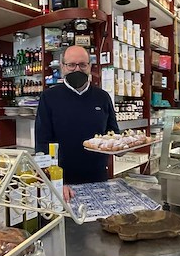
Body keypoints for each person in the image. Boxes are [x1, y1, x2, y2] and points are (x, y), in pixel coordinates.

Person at [35, 45, 119, 200]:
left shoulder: (103, 97)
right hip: (63, 184)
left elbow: (114, 134)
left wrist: (121, 147)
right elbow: (42, 143)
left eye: (82, 65)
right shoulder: (49, 97)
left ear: (90, 66)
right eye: (71, 65)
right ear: (62, 67)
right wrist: (56, 181)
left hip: (98, 177)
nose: (77, 69)